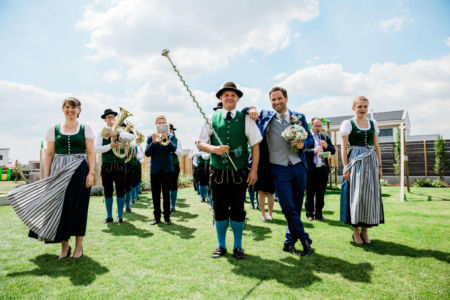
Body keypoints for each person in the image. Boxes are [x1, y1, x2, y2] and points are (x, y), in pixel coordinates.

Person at [8, 97, 95, 259]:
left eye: (74, 107)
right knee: (59, 208)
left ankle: (78, 247)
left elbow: (90, 152)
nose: (70, 110)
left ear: (79, 110)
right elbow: (49, 153)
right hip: (58, 170)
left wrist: (91, 173)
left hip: (79, 170)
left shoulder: (85, 128)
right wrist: (46, 176)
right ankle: (64, 246)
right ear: (63, 109)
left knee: (79, 207)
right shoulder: (53, 129)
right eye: (67, 107)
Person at [246, 86, 314, 256]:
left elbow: (311, 139)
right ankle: (305, 239)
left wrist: (303, 144)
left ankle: (288, 243)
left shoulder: (299, 117)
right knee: (287, 207)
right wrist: (250, 108)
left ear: (286, 98)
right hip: (278, 168)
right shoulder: (264, 117)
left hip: (298, 167)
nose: (276, 102)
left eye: (279, 99)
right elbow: (242, 112)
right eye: (273, 100)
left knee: (296, 208)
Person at [198, 81, 262, 260]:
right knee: (219, 210)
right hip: (217, 172)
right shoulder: (211, 118)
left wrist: (254, 170)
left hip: (239, 173)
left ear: (238, 99)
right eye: (226, 95)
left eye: (233, 95)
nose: (229, 98)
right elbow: (200, 142)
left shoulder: (246, 119)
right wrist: (214, 149)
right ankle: (221, 245)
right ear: (221, 97)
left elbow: (255, 145)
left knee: (237, 210)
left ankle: (238, 246)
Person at [340, 96, 384, 245]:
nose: (363, 109)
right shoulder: (348, 123)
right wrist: (346, 168)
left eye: (365, 106)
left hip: (371, 161)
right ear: (354, 108)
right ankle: (355, 232)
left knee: (369, 197)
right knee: (357, 196)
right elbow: (344, 148)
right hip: (355, 161)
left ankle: (365, 231)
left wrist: (379, 166)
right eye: (359, 106)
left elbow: (377, 146)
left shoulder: (373, 123)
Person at [95, 109, 135, 224]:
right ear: (105, 119)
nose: (111, 119)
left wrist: (117, 134)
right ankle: (109, 216)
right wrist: (110, 145)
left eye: (113, 117)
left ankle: (120, 216)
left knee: (120, 190)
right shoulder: (100, 132)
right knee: (107, 190)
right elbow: (96, 148)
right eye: (109, 117)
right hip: (107, 165)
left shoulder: (121, 131)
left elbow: (132, 138)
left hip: (120, 165)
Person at [145, 115, 177, 225]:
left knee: (166, 195)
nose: (161, 124)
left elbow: (173, 149)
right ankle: (157, 217)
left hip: (167, 169)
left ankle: (167, 217)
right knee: (155, 195)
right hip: (155, 170)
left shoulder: (170, 136)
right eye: (159, 123)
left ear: (166, 124)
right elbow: (147, 153)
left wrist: (166, 138)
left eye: (163, 122)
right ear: (156, 124)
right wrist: (153, 142)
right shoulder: (151, 137)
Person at [304, 117, 336, 221]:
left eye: (319, 126)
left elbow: (333, 150)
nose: (318, 128)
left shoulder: (325, 137)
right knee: (309, 193)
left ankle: (319, 214)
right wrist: (313, 151)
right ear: (311, 126)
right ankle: (309, 214)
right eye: (316, 126)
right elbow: (301, 152)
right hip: (311, 170)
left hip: (323, 169)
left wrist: (327, 146)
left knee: (321, 194)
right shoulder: (306, 137)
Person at [169, 123, 182, 211]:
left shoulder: (177, 140)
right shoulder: (160, 139)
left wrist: (172, 148)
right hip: (163, 164)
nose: (169, 131)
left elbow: (180, 153)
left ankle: (173, 205)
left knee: (173, 185)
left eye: (171, 130)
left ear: (173, 131)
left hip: (174, 164)